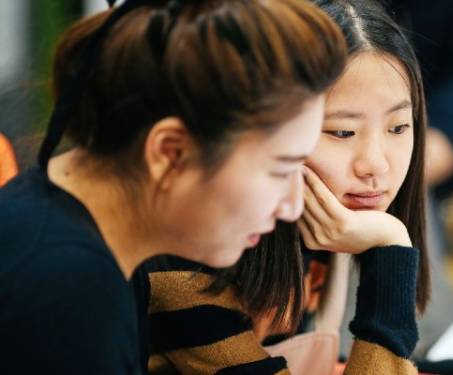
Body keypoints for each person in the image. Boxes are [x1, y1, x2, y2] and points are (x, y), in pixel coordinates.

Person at [137, 1, 453, 374]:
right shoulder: (190, 264)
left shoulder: (327, 227)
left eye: (399, 127)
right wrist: (391, 249)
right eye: (341, 132)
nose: (375, 164)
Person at [0, 0, 347, 373]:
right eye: (280, 170)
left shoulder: (59, 224)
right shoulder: (68, 290)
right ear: (171, 152)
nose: (293, 206)